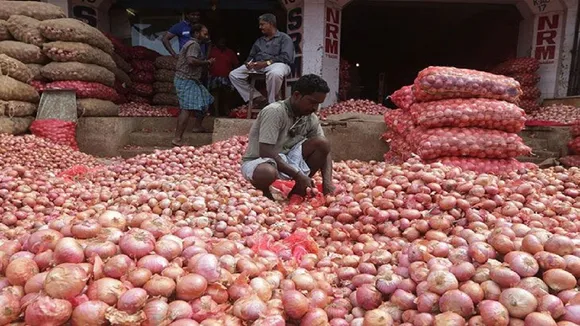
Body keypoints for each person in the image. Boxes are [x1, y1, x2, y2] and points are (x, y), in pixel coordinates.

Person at [241, 74, 335, 199]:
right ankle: (265, 193)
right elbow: (266, 152)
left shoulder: (310, 117)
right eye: (312, 102)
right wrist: (298, 175)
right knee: (267, 172)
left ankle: (298, 192)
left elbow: (325, 150)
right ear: (296, 95)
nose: (315, 108)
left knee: (322, 143)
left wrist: (327, 184)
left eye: (318, 104)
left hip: (288, 159)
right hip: (260, 161)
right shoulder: (275, 112)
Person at [229, 13, 294, 107]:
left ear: (270, 24)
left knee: (275, 73)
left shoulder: (284, 38)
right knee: (234, 74)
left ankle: (271, 102)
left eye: (262, 24)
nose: (260, 27)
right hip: (259, 65)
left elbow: (286, 57)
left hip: (278, 64)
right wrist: (248, 63)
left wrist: (266, 63)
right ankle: (257, 98)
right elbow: (251, 57)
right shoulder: (259, 41)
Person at [172, 24, 215, 146]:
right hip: (185, 80)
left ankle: (197, 126)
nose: (207, 36)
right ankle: (177, 139)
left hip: (192, 80)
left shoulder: (196, 45)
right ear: (197, 34)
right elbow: (191, 60)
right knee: (186, 108)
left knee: (207, 100)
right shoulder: (194, 45)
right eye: (205, 34)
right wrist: (207, 62)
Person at [208, 37, 239, 116]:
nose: (222, 44)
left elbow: (236, 64)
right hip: (214, 76)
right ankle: (216, 112)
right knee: (215, 94)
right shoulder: (211, 51)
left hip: (226, 77)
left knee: (227, 94)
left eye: (223, 42)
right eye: (220, 42)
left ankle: (227, 111)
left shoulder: (230, 52)